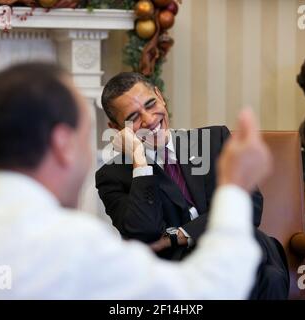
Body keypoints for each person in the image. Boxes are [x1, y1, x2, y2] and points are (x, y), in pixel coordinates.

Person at [0, 62, 269, 299]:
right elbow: (207, 292)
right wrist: (236, 187)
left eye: (151, 105)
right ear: (64, 145)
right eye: (85, 135)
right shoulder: (76, 243)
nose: (149, 120)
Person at [95, 72, 289, 299]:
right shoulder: (112, 176)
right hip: (179, 274)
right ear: (116, 127)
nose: (149, 120)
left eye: (151, 104)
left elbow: (250, 205)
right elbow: (144, 234)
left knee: (267, 270)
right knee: (270, 273)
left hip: (233, 255)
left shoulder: (214, 140)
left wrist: (179, 235)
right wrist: (140, 161)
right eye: (134, 117)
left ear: (160, 95)